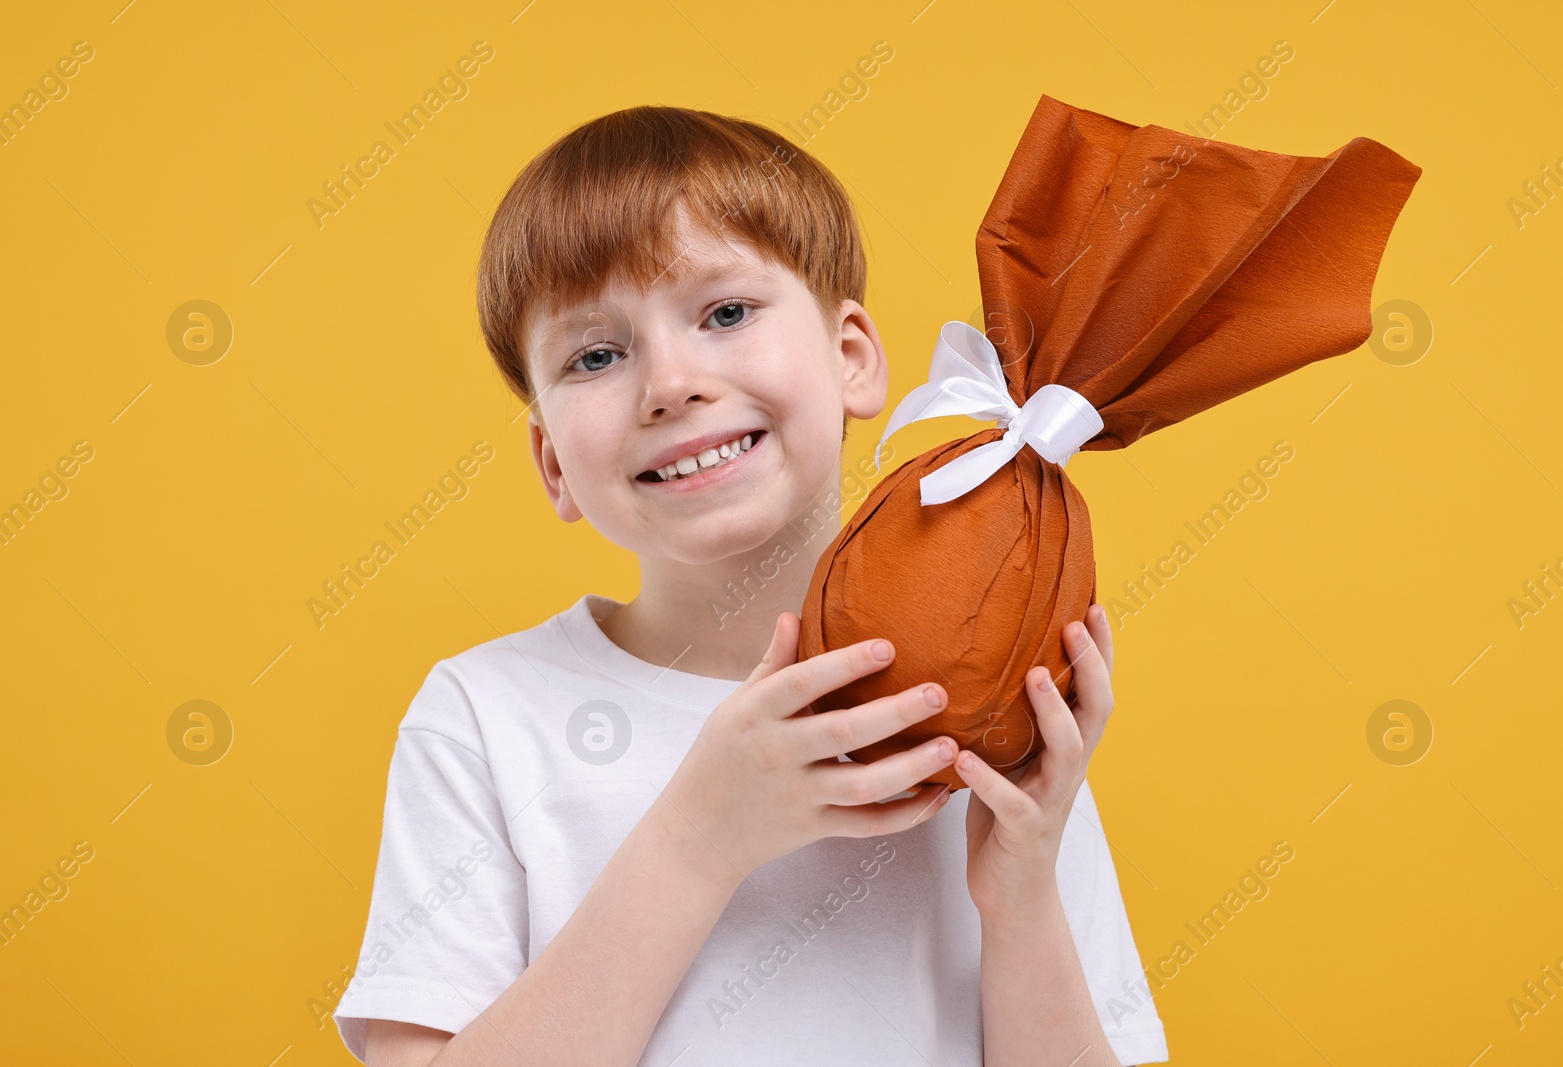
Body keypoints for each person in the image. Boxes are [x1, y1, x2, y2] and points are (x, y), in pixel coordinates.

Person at [331, 104, 1168, 1066]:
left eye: (725, 312)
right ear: (552, 462)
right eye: (596, 355)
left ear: (853, 358)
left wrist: (1020, 896)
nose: (670, 382)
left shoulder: (996, 712)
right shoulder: (484, 717)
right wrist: (696, 840)